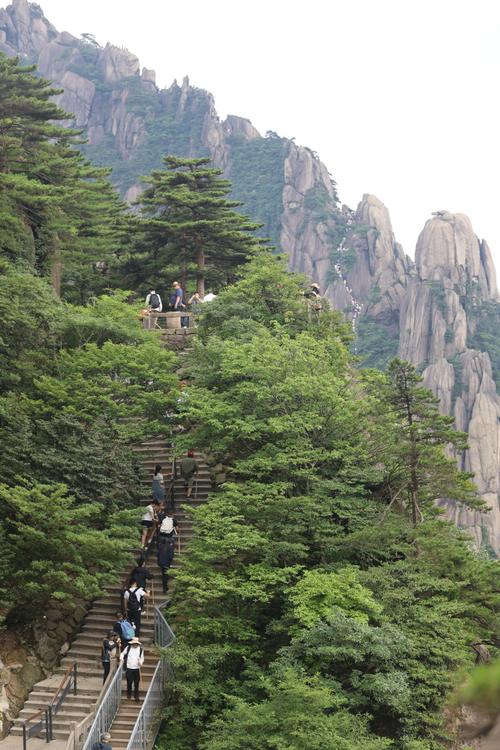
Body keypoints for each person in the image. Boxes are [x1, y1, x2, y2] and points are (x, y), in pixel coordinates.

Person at [120, 637, 144, 702]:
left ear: (138, 644)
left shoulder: (140, 650)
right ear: (132, 643)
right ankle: (129, 695)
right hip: (129, 668)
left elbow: (142, 658)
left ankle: (136, 696)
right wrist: (121, 659)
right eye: (134, 643)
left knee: (136, 683)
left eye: (136, 643)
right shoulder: (128, 648)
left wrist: (140, 663)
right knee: (129, 682)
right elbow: (122, 654)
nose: (135, 645)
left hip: (137, 668)